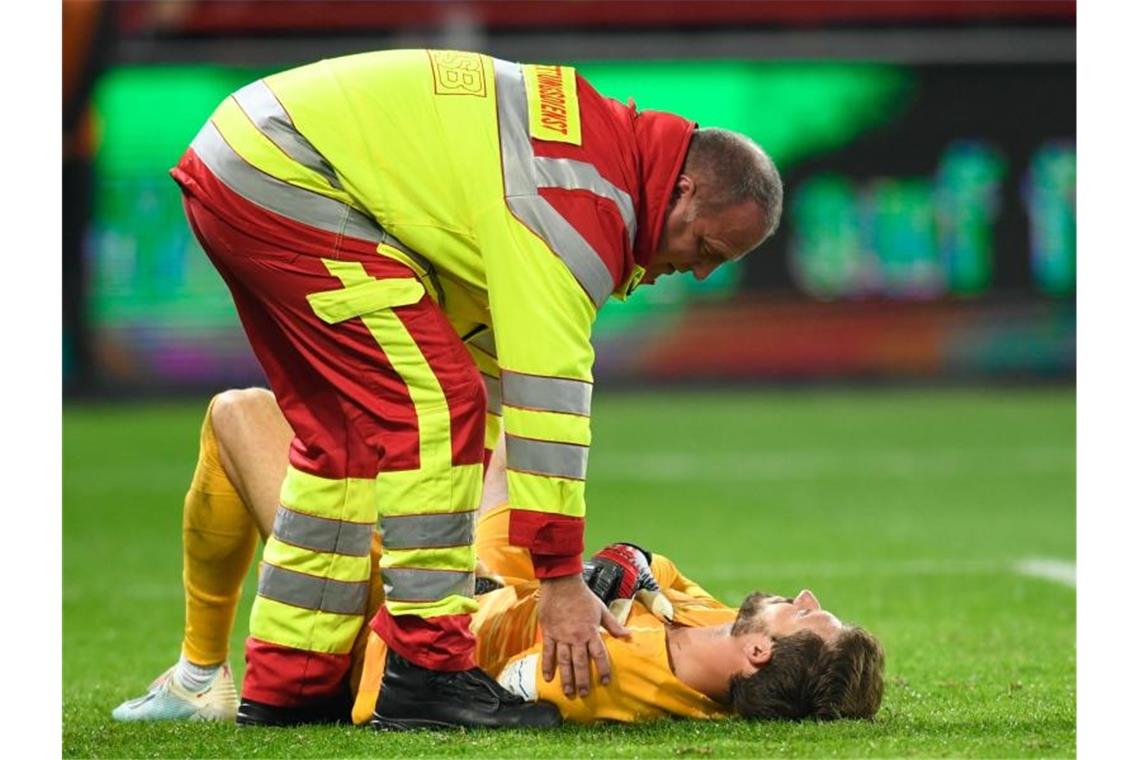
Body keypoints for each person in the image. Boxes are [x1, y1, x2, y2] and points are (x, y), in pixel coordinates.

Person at [172, 48, 783, 728]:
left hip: (257, 154)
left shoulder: (594, 159)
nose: (699, 273)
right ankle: (426, 674)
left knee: (340, 434)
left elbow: (487, 344)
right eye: (705, 249)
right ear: (684, 191)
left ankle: (292, 684)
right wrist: (556, 581)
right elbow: (546, 402)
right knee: (437, 405)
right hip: (285, 172)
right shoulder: (581, 209)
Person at [112, 389, 883, 725]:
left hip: (409, 612)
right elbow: (644, 561)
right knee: (519, 411)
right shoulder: (717, 631)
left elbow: (478, 672)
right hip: (499, 580)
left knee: (238, 415)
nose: (807, 595)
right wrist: (618, 569)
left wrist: (595, 587)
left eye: (807, 617)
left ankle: (199, 673)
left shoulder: (615, 681)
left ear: (758, 654)